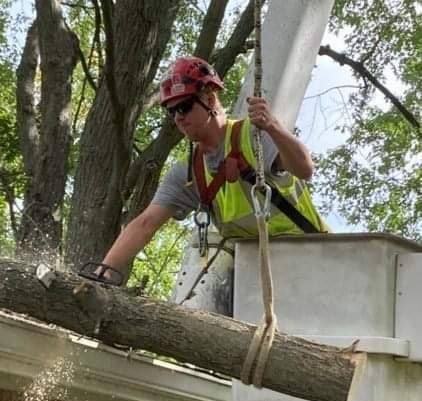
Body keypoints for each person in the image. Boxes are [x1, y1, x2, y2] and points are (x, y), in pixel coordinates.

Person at [100, 56, 328, 274]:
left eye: (184, 107)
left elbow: (304, 169)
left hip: (311, 253)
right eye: (171, 111)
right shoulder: (189, 174)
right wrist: (105, 271)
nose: (178, 118)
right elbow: (145, 223)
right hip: (256, 271)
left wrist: (274, 127)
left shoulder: (254, 134)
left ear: (209, 99)